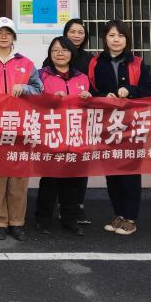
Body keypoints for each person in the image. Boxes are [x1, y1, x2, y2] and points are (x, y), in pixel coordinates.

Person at [0, 17, 42, 241]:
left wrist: (25, 88)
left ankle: (17, 223)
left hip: (20, 128)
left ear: (14, 37)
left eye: (8, 32)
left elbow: (39, 89)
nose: (4, 36)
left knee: (18, 180)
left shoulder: (26, 63)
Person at [87, 19, 151, 237]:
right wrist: (102, 96)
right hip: (107, 125)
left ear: (127, 39)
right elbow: (89, 90)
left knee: (130, 173)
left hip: (132, 125)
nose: (116, 40)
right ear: (104, 39)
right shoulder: (95, 62)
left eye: (121, 36)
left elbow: (149, 90)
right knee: (112, 173)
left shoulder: (137, 62)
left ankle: (130, 218)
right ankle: (118, 214)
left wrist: (130, 90)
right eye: (111, 35)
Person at [34, 36, 90, 237]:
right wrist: (48, 98)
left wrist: (89, 98)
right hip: (51, 135)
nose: (60, 53)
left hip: (75, 135)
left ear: (72, 53)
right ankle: (43, 219)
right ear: (50, 54)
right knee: (50, 181)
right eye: (55, 50)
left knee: (72, 181)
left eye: (64, 50)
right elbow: (32, 100)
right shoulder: (41, 75)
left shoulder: (82, 77)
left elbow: (90, 108)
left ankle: (70, 220)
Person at [59, 18, 93, 225]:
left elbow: (95, 88)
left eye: (81, 32)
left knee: (81, 164)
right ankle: (61, 204)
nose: (76, 35)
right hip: (59, 122)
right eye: (72, 31)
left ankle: (78, 206)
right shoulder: (54, 57)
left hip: (82, 121)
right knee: (60, 164)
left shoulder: (90, 60)